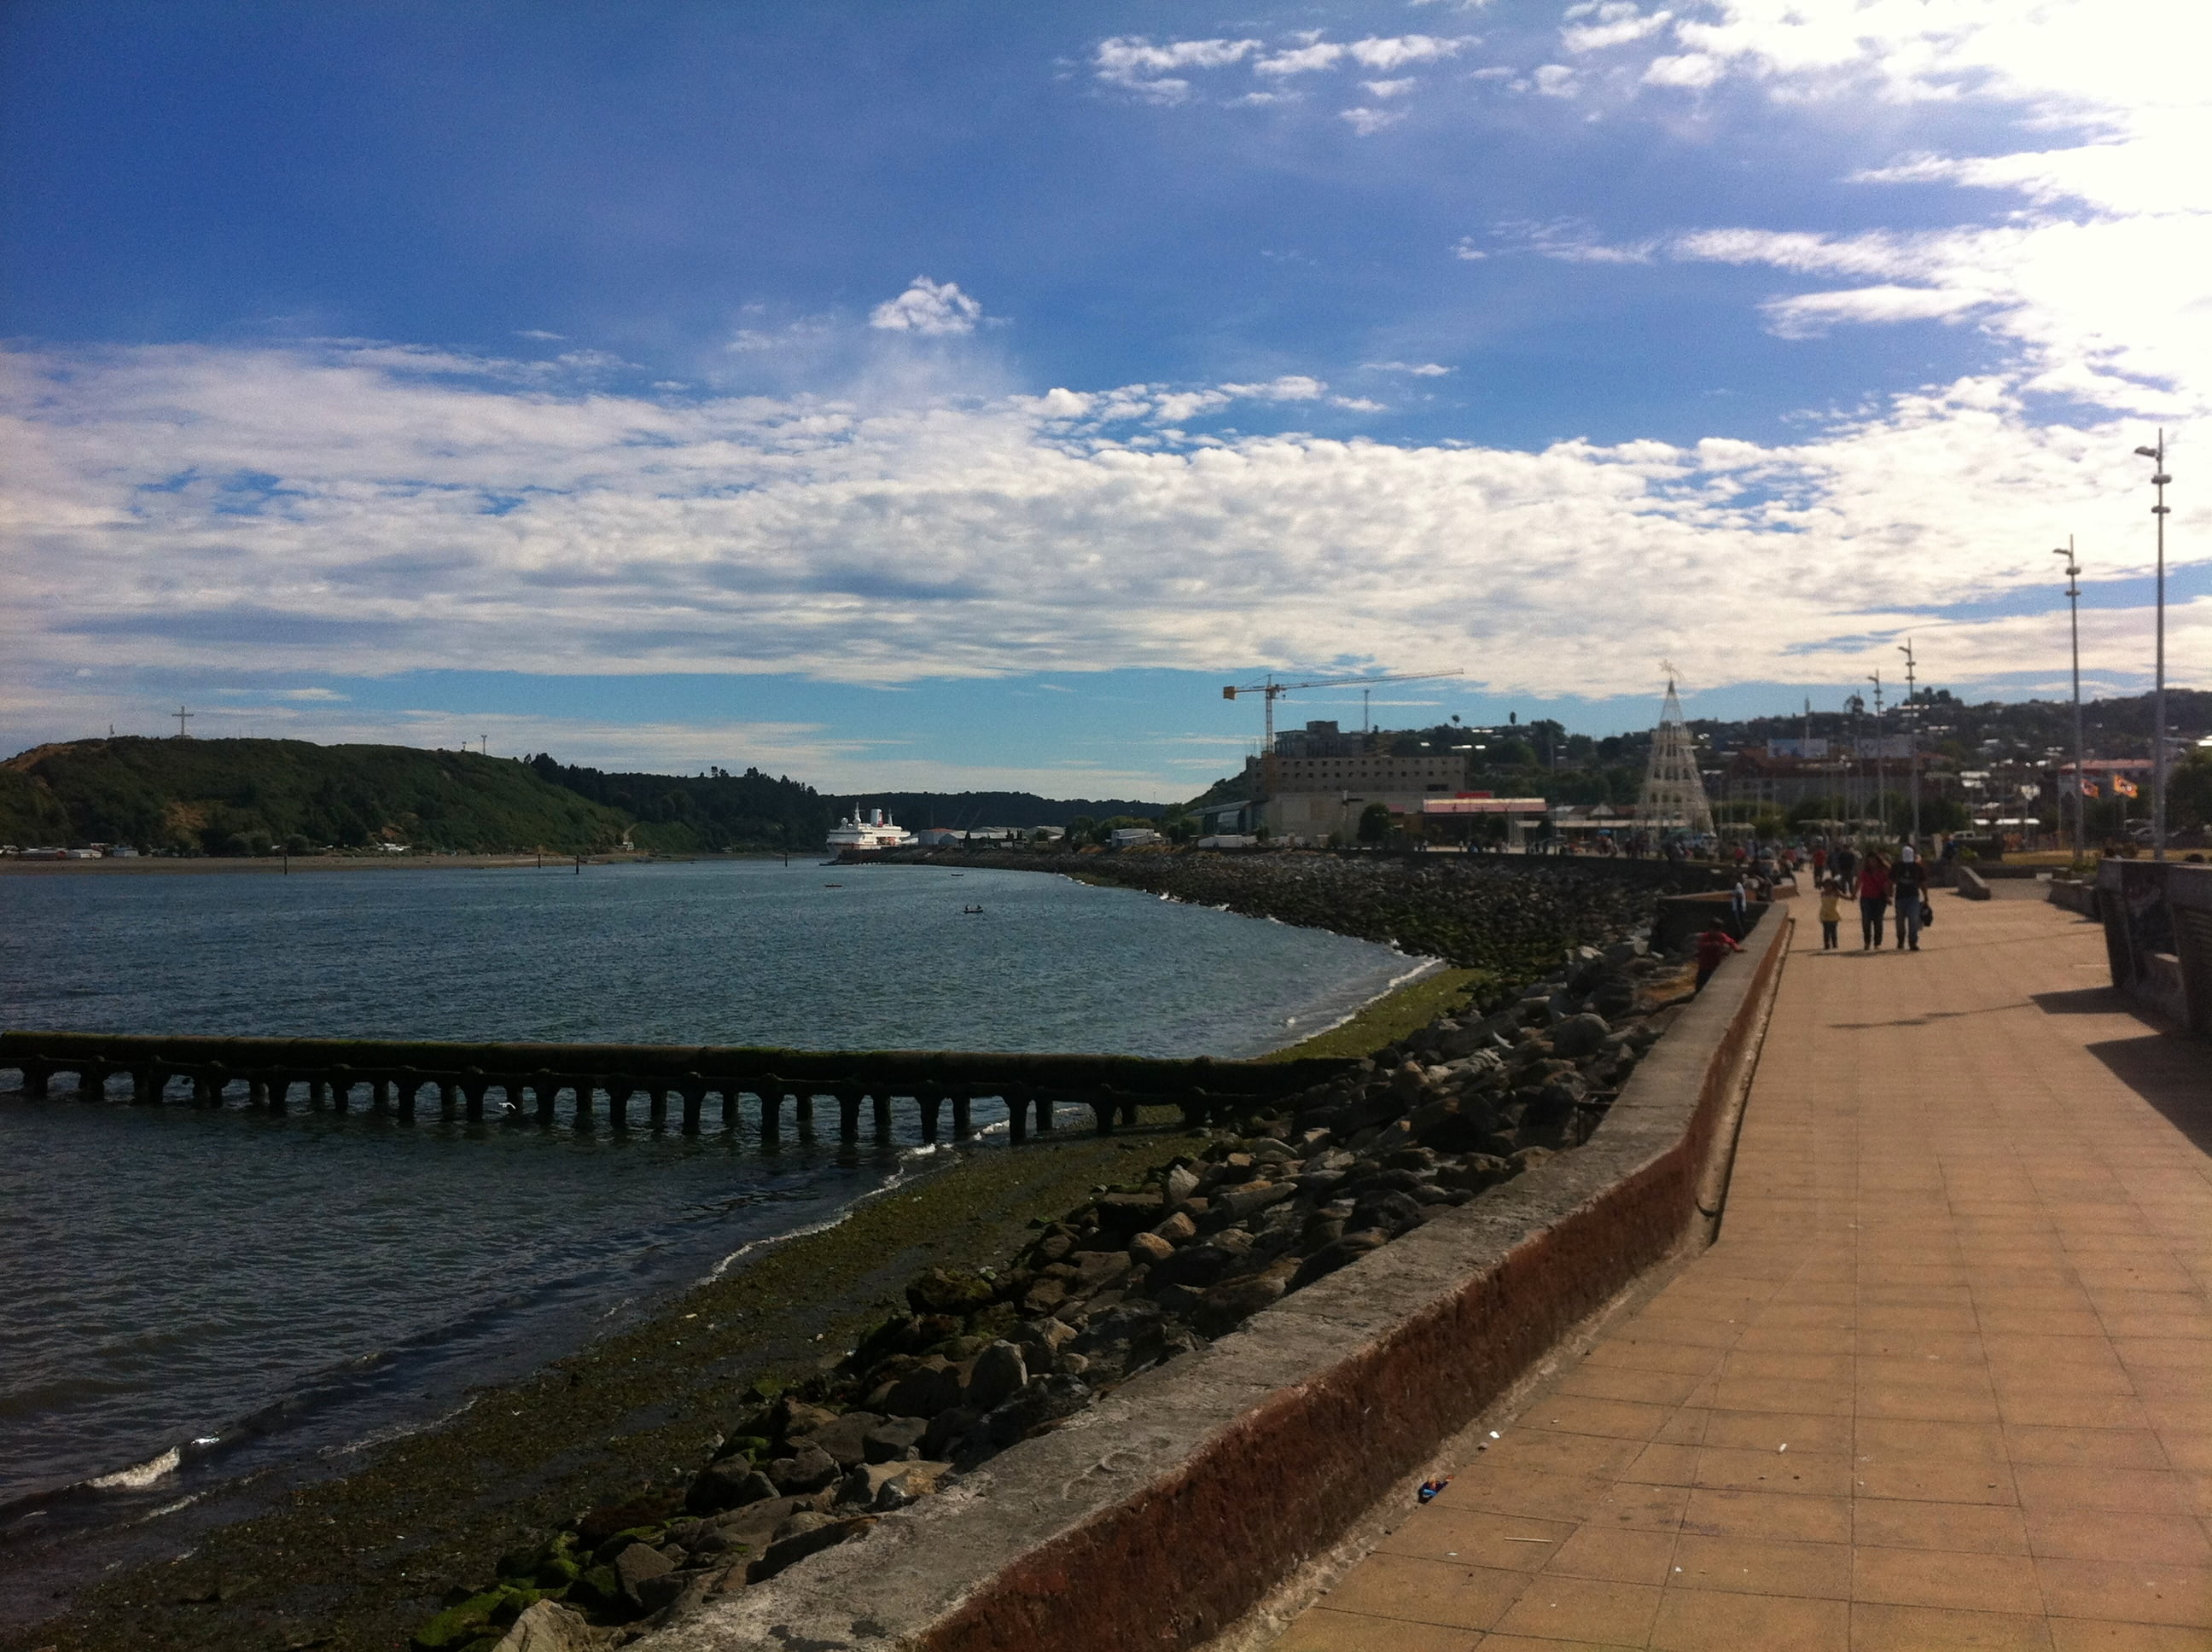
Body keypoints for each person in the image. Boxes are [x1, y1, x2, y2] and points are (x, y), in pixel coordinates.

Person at [1891, 844, 1925, 951]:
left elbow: (1922, 882)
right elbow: (1890, 881)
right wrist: (1888, 893)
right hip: (1900, 897)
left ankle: (1912, 942)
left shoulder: (1917, 867)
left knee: (1913, 920)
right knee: (1900, 922)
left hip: (1913, 897)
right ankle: (1900, 940)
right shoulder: (1896, 866)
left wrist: (1926, 896)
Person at [1857, 851, 1892, 950]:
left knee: (1878, 920)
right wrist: (1854, 894)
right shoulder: (1865, 872)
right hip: (1866, 898)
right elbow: (1858, 882)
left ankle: (1877, 943)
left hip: (1880, 899)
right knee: (1866, 920)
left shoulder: (1884, 871)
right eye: (1869, 861)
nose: (1871, 863)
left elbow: (1890, 881)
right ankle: (1867, 942)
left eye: (1873, 860)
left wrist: (1889, 895)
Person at [1695, 919, 1742, 990]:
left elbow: (1731, 941)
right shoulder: (1705, 936)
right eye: (1714, 930)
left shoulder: (1721, 936)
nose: (1716, 933)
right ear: (1710, 929)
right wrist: (1711, 945)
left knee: (1714, 979)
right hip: (1705, 964)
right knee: (1702, 981)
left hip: (1716, 963)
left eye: (1718, 930)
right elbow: (1701, 945)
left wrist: (1736, 948)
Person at [1819, 877, 1843, 951]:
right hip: (1824, 914)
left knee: (1833, 930)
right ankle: (1827, 944)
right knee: (1826, 930)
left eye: (1829, 886)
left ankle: (1835, 943)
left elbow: (1844, 897)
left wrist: (1852, 898)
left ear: (1833, 886)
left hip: (1834, 914)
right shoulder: (1823, 893)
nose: (1827, 888)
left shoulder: (1836, 893)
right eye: (1826, 886)